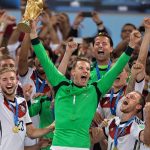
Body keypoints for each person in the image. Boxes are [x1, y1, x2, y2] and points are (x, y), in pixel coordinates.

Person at [29, 19, 141, 150]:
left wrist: (131, 45)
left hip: (82, 147)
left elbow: (116, 70)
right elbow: (44, 59)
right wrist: (33, 34)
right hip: (58, 145)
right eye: (81, 68)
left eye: (88, 69)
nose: (85, 71)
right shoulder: (60, 85)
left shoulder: (95, 90)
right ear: (73, 72)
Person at [0, 67, 54, 150]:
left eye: (12, 78)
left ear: (17, 81)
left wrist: (51, 127)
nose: (9, 82)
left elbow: (31, 132)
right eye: (4, 79)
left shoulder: (22, 102)